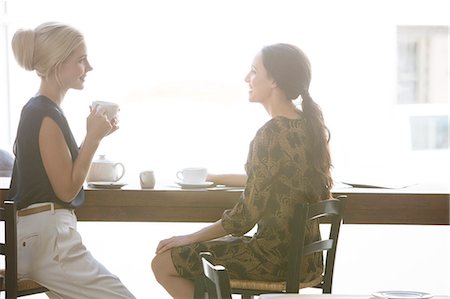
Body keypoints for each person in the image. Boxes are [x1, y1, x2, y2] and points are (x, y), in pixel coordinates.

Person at [152, 43, 333, 298]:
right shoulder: (307, 127)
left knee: (162, 263)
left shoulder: (270, 134)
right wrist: (216, 177)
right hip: (307, 262)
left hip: (273, 260)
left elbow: (244, 218)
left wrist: (189, 238)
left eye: (254, 71)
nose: (246, 78)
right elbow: (276, 179)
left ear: (274, 80)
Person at [8, 22, 135, 299]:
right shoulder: (44, 114)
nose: (89, 67)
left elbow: (58, 174)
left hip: (36, 239)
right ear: (57, 63)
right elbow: (66, 189)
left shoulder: (39, 110)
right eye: (81, 60)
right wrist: (92, 140)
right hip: (49, 240)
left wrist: (95, 137)